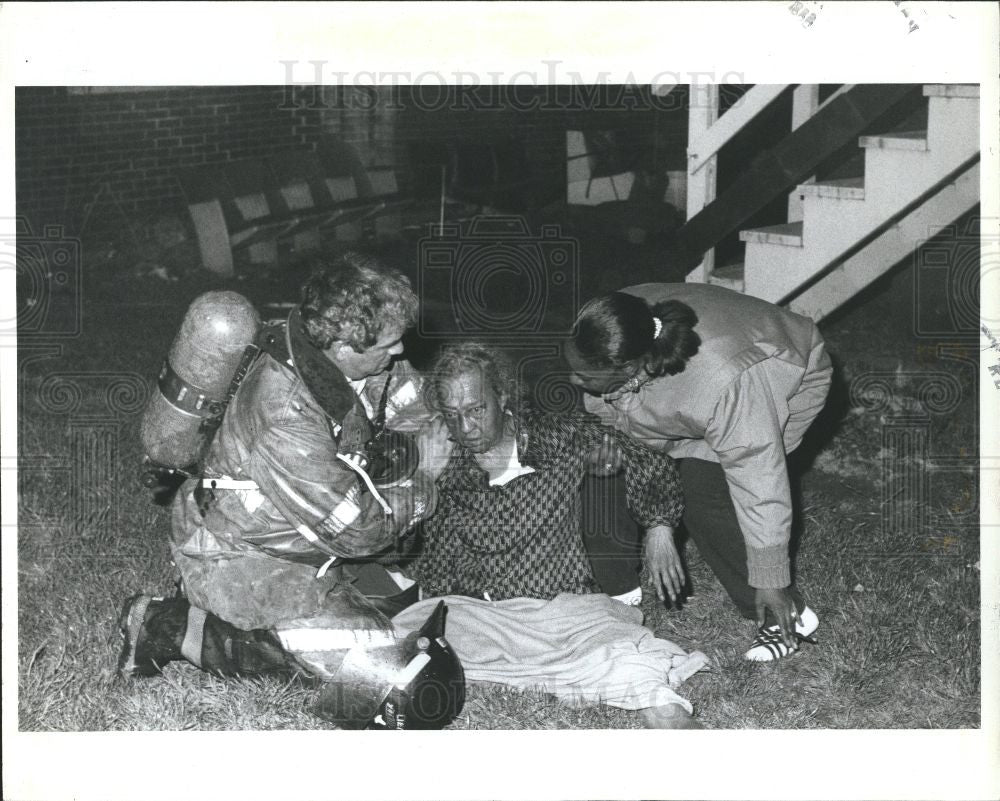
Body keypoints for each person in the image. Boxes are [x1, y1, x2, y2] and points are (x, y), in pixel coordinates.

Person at [118, 252, 456, 723]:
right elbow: (355, 530)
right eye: (390, 345)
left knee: (395, 636)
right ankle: (163, 625)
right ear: (342, 346)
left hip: (301, 549)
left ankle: (279, 618)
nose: (400, 353)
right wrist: (423, 481)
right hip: (237, 554)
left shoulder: (363, 364)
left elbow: (415, 407)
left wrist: (416, 441)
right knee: (379, 679)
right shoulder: (284, 408)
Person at [395, 341, 709, 729]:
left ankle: (670, 720)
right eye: (453, 415)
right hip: (478, 612)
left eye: (476, 410)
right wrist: (421, 479)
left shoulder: (555, 435)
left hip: (562, 612)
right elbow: (396, 546)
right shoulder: (438, 456)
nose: (466, 428)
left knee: (626, 656)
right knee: (398, 644)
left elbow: (651, 464)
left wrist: (660, 528)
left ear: (503, 396)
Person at [566, 283, 833, 662]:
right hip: (677, 389)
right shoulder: (611, 330)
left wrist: (772, 577)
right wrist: (656, 518)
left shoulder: (723, 384)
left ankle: (785, 613)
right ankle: (618, 595)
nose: (575, 381)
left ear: (629, 368)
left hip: (779, 374)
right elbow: (627, 426)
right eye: (574, 370)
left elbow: (760, 478)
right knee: (602, 463)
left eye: (584, 377)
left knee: (703, 489)